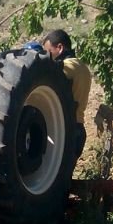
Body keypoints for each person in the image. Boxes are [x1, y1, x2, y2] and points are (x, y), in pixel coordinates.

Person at [42, 29, 92, 160]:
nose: (47, 56)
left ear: (59, 47)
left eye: (48, 51)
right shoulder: (83, 68)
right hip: (79, 128)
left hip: (64, 132)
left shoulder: (65, 68)